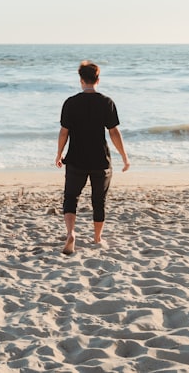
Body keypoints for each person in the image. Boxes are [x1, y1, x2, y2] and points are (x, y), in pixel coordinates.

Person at [55, 60, 129, 255]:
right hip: (100, 160)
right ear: (98, 79)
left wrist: (59, 154)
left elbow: (64, 132)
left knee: (71, 197)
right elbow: (114, 132)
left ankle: (71, 233)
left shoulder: (71, 102)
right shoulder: (106, 102)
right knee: (99, 199)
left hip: (76, 159)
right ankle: (97, 238)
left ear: (81, 80)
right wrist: (124, 156)